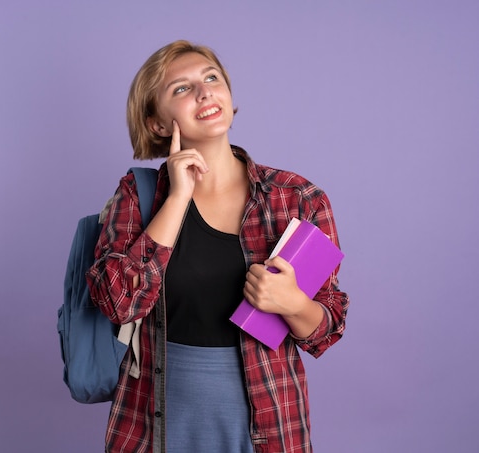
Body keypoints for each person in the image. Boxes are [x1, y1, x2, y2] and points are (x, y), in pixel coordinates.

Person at [86, 40, 349, 453]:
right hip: (158, 422)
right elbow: (119, 303)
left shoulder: (296, 199)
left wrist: (293, 303)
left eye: (211, 78)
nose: (204, 91)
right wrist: (176, 199)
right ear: (156, 123)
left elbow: (326, 328)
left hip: (267, 423)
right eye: (181, 88)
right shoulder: (139, 196)